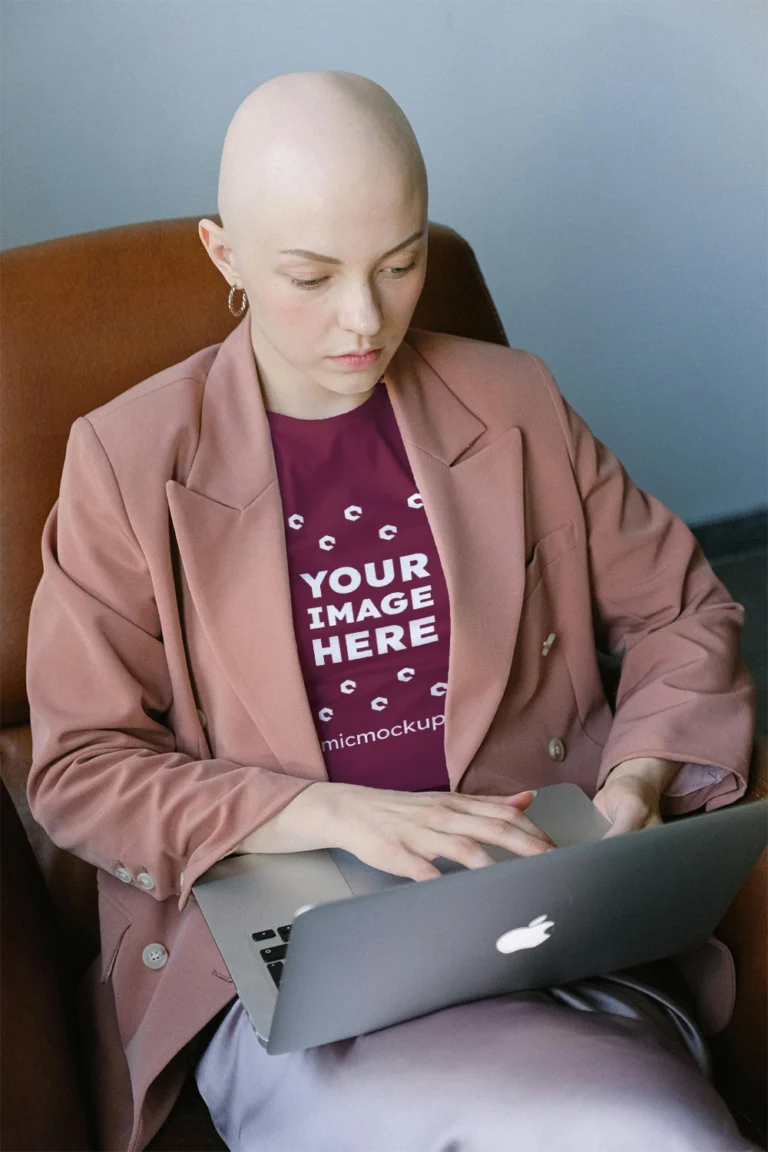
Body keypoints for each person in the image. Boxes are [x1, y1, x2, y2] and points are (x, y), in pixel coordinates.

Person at [25, 70, 759, 1152]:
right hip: (296, 963)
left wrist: (637, 781)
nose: (364, 321)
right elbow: (79, 767)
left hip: (542, 922)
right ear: (224, 255)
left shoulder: (515, 402)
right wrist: (333, 813)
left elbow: (685, 615)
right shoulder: (129, 461)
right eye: (311, 277)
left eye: (401, 262)